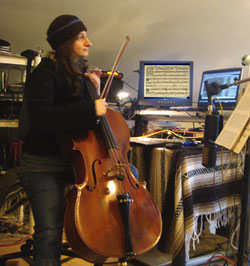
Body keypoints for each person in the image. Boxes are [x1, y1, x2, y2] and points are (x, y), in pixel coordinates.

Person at [18, 14, 138, 266]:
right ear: (64, 42)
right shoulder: (45, 73)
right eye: (81, 37)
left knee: (130, 176)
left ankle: (112, 245)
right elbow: (41, 117)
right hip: (44, 163)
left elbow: (87, 123)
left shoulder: (78, 73)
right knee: (49, 232)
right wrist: (89, 108)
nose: (89, 42)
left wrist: (92, 90)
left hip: (79, 163)